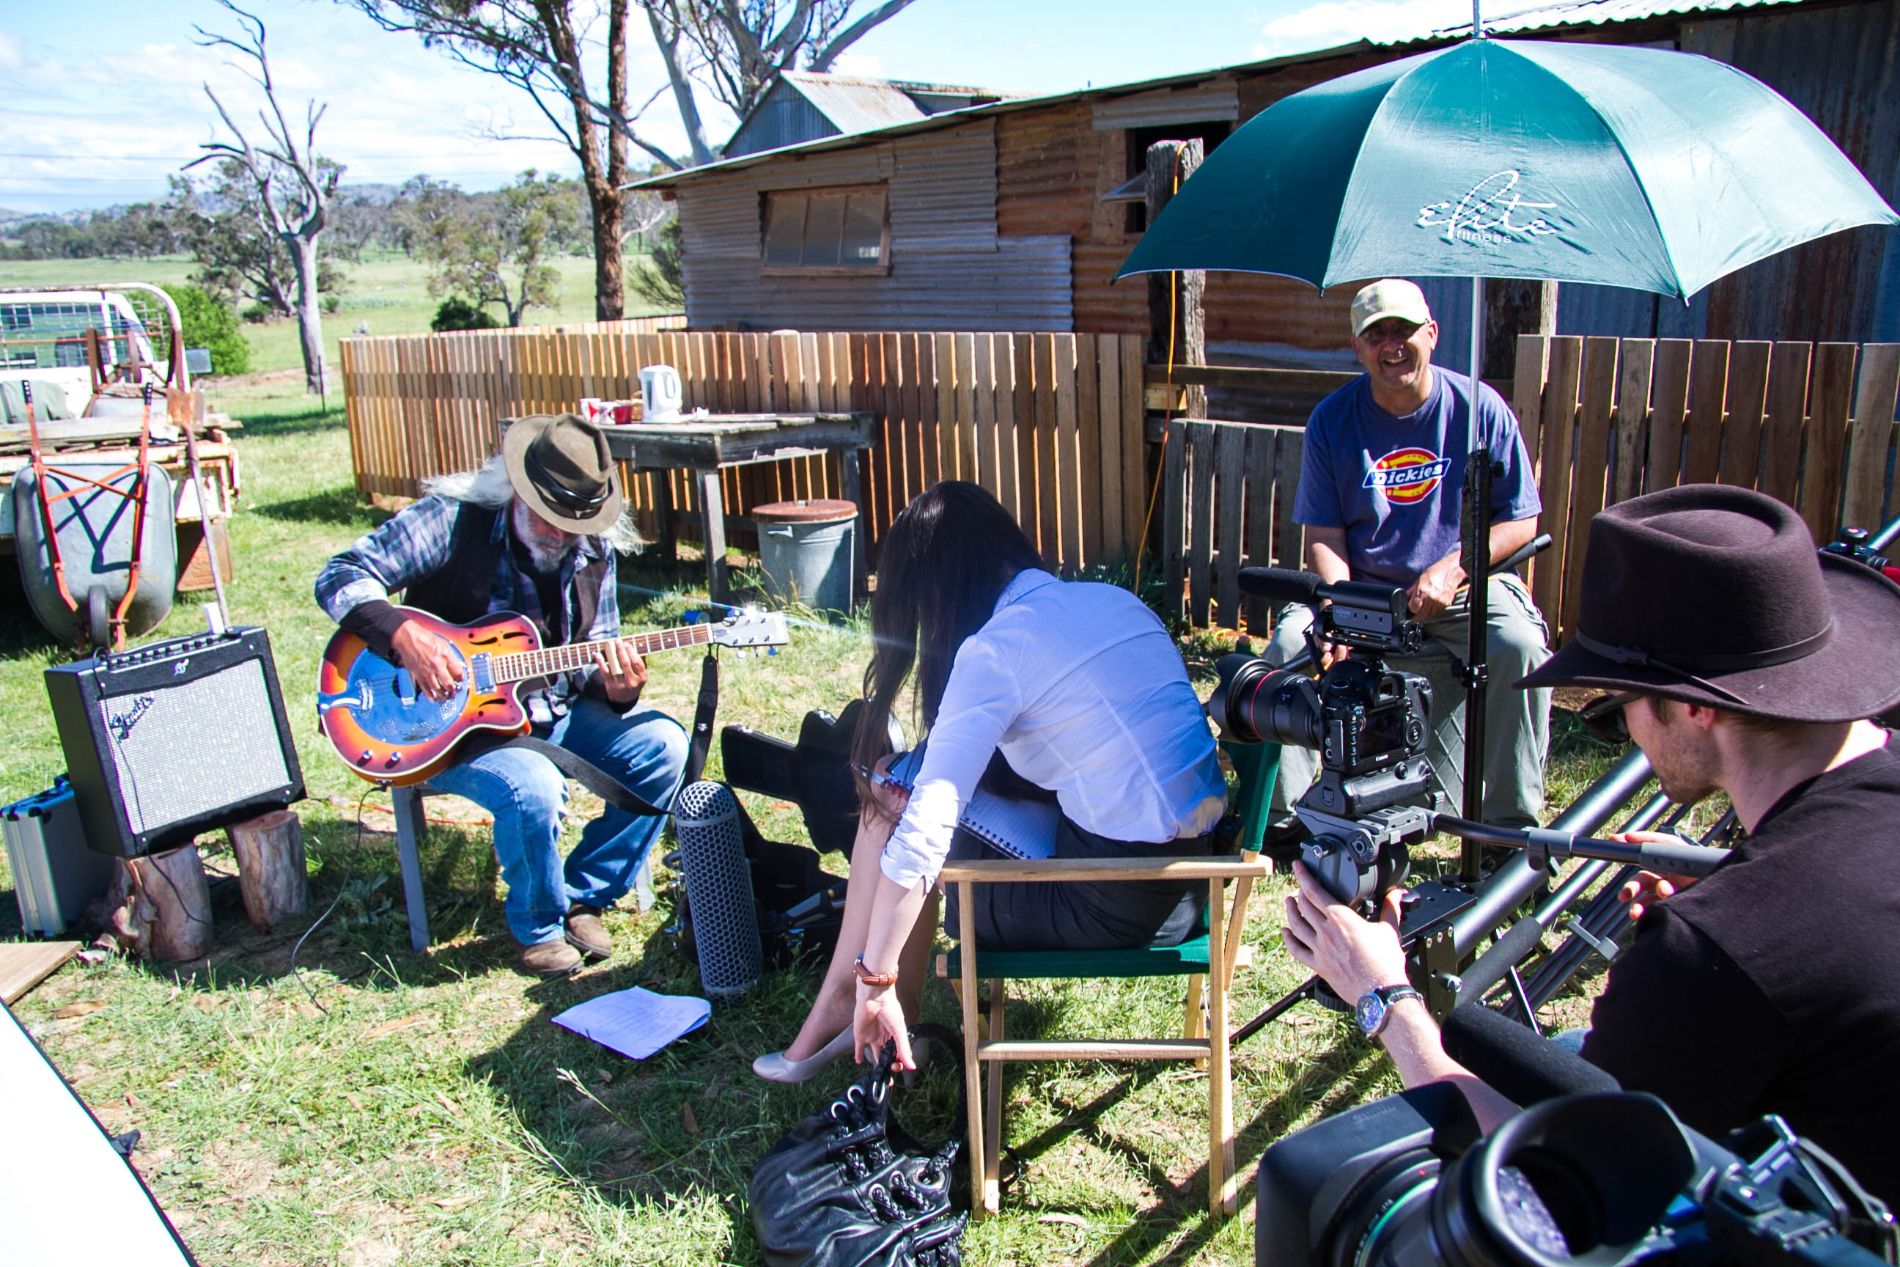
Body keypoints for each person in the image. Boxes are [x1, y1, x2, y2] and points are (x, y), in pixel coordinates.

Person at [1281, 484, 1900, 1202]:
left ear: (1696, 705)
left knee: (1309, 1185)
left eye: (1615, 705)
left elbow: (1551, 1183)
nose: (1625, 729)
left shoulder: (1716, 954)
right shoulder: (1767, 918)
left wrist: (1383, 999)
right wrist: (1741, 891)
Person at [753, 481, 1228, 1081]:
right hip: (1197, 885)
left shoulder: (1000, 647)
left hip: (1114, 906)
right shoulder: (1113, 602)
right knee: (905, 787)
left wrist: (877, 975)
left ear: (939, 591)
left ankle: (867, 1000)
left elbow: (929, 831)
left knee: (901, 807)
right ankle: (860, 1002)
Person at [316, 413, 687, 977]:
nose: (562, 536)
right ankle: (539, 928)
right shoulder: (453, 521)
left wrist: (617, 686)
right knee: (533, 784)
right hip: (443, 732)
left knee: (664, 746)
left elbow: (596, 650)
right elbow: (339, 574)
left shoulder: (595, 550)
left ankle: (582, 894)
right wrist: (401, 633)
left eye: (575, 522)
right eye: (550, 517)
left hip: (548, 716)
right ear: (518, 488)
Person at [1266, 278, 1551, 829]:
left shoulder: (1479, 409)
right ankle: (1293, 821)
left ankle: (1506, 828)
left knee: (1517, 644)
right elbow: (1324, 535)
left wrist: (1455, 566)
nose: (1392, 345)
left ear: (1433, 334)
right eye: (1376, 335)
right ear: (1357, 347)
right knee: (1286, 648)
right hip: (1364, 589)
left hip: (1463, 591)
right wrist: (1338, 612)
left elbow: (1521, 519)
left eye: (1404, 330)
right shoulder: (1332, 420)